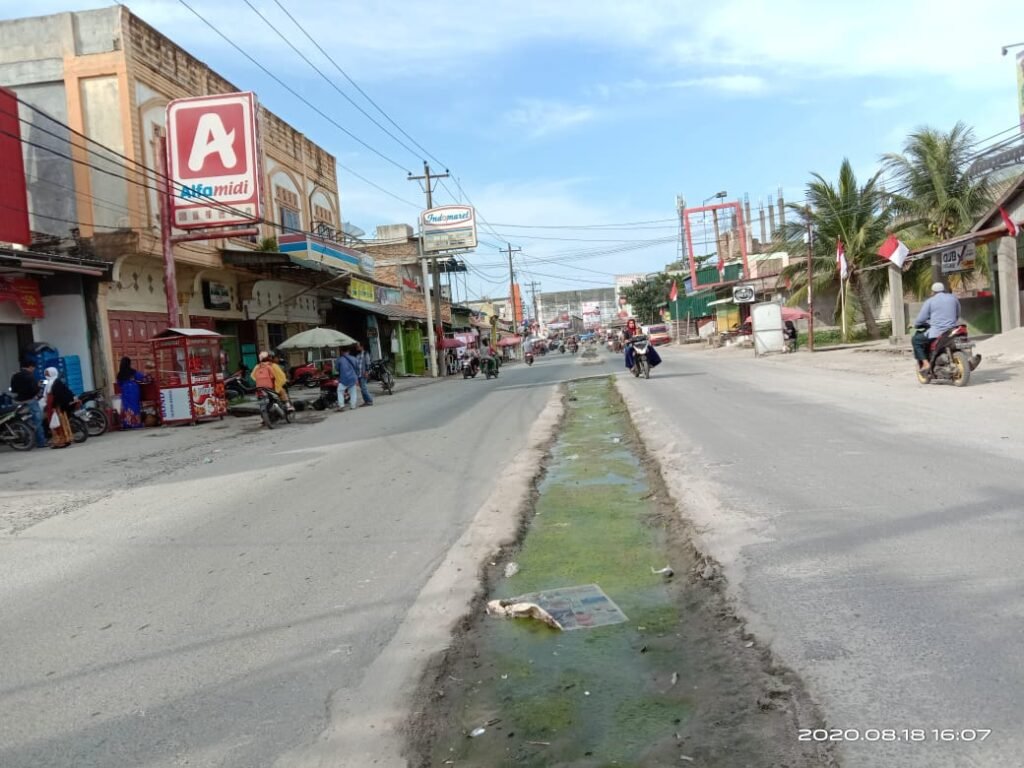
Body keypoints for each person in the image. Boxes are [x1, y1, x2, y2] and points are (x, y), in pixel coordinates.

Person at [913, 282, 961, 371]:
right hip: (952, 330)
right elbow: (957, 314)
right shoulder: (953, 298)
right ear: (944, 289)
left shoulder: (930, 301)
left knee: (916, 340)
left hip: (937, 332)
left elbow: (921, 319)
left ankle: (926, 363)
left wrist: (916, 325)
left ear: (933, 292)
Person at [10, 358, 45, 448]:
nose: (34, 369)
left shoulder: (15, 376)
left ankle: (26, 441)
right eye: (33, 368)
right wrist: (38, 387)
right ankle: (41, 442)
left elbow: (13, 390)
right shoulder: (30, 376)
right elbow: (34, 390)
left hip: (18, 402)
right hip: (30, 401)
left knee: (21, 421)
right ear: (30, 367)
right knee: (37, 421)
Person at [43, 367, 75, 449]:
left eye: (48, 373)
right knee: (54, 423)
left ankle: (63, 441)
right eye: (46, 373)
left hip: (57, 406)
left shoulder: (56, 383)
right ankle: (58, 441)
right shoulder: (50, 383)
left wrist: (54, 406)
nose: (46, 375)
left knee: (59, 423)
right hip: (51, 405)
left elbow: (58, 395)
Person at [117, 356, 148, 429]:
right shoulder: (133, 372)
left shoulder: (119, 374)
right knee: (135, 406)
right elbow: (143, 378)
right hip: (133, 390)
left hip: (125, 391)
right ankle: (136, 423)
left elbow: (119, 384)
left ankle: (127, 423)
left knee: (126, 407)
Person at [353, 342, 374, 407]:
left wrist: (367, 372)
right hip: (358, 374)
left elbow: (368, 363)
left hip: (363, 374)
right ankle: (366, 401)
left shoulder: (366, 354)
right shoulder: (357, 355)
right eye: (356, 346)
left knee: (364, 388)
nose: (357, 347)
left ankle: (370, 400)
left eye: (358, 346)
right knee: (362, 389)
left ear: (362, 347)